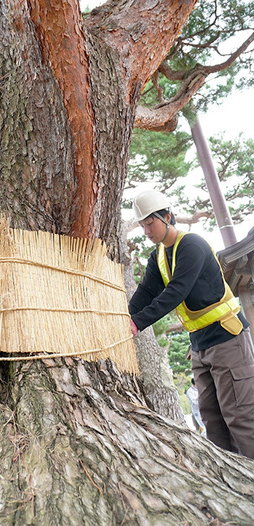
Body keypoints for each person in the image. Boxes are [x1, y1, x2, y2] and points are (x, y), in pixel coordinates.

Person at [129, 190, 254, 459]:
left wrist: (137, 324)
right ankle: (232, 483)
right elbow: (146, 292)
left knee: (240, 417)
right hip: (198, 347)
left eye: (151, 223)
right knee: (212, 420)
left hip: (227, 339)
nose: (147, 230)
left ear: (168, 217)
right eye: (142, 225)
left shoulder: (192, 245)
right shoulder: (159, 257)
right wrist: (123, 317)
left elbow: (177, 291)